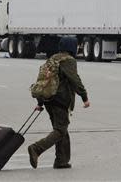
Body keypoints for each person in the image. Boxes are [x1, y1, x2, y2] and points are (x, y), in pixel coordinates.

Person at [28, 37, 90, 170]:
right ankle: (36, 149)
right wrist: (84, 97)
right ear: (72, 47)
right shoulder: (68, 60)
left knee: (62, 130)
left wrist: (40, 102)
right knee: (60, 130)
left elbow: (42, 81)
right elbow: (75, 79)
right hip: (60, 100)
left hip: (49, 100)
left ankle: (61, 161)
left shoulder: (53, 59)